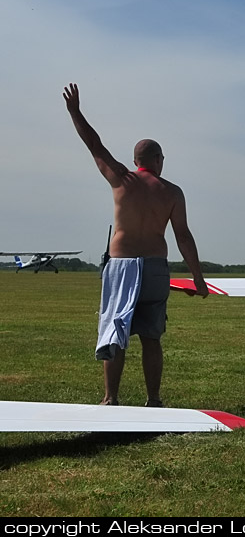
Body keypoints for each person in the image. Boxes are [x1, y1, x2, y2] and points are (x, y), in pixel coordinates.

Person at [63, 83, 209, 406]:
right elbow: (183, 236)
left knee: (115, 333)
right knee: (151, 337)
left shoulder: (121, 179)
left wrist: (75, 112)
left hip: (122, 266)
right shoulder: (172, 192)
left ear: (134, 160)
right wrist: (198, 278)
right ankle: (153, 399)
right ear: (158, 160)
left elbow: (95, 145)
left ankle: (110, 398)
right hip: (155, 268)